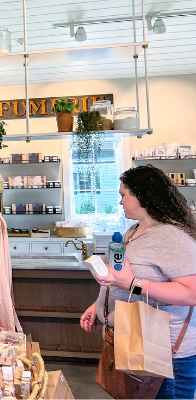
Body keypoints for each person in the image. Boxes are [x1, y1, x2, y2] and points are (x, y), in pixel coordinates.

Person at [80, 164, 196, 399]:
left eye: (124, 195)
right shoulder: (135, 230)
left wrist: (133, 283)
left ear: (142, 195)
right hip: (135, 348)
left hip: (165, 358)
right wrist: (98, 306)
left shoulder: (171, 237)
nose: (121, 202)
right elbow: (119, 276)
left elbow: (191, 294)